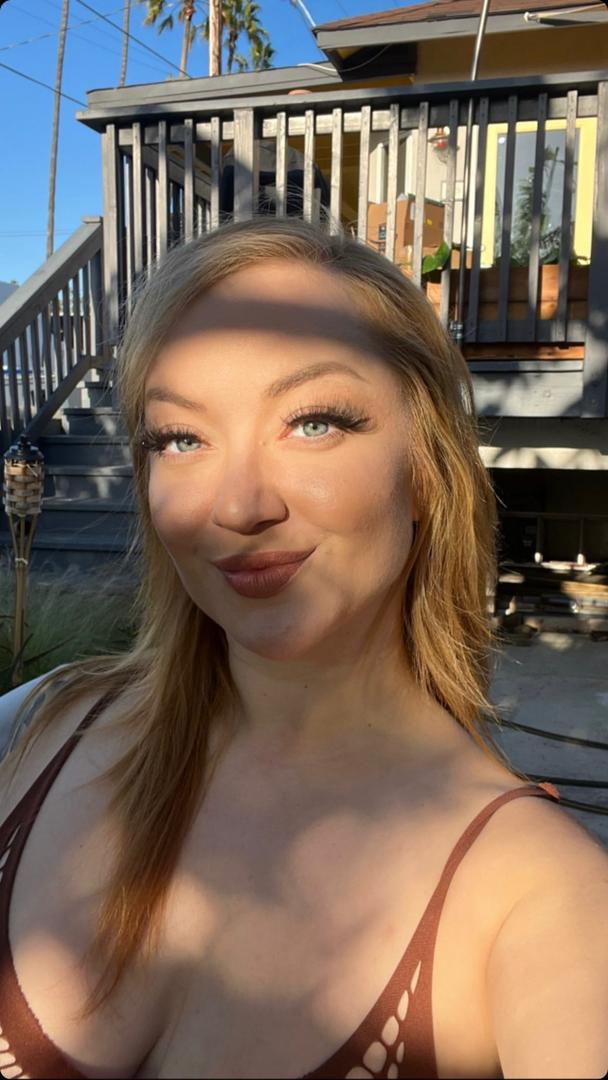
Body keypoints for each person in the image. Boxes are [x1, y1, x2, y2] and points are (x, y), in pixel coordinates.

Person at [0, 217, 606, 1080]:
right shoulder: (44, 725)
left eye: (313, 421)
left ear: (426, 469)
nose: (238, 506)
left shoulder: (542, 896)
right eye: (181, 438)